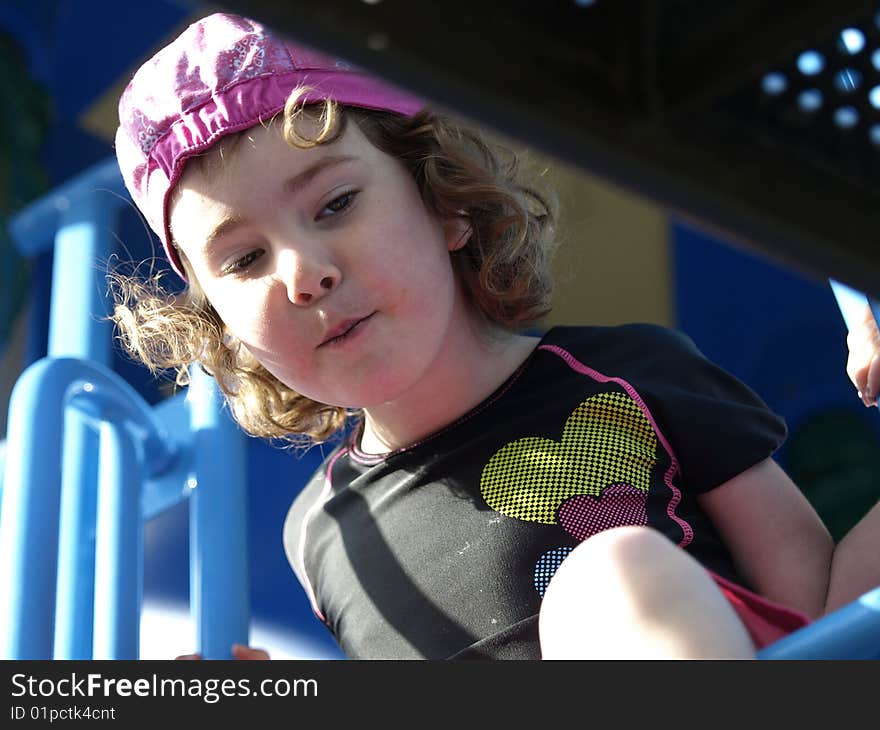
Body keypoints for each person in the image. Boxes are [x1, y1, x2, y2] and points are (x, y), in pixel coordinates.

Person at [111, 12, 880, 660]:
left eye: (337, 203)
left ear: (445, 204)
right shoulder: (318, 533)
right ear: (226, 331)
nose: (304, 273)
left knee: (611, 570)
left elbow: (817, 607)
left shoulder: (631, 371)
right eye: (245, 260)